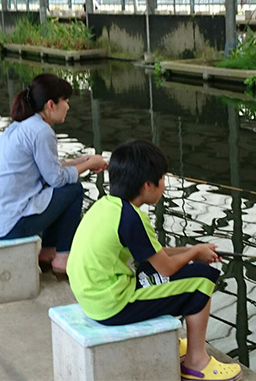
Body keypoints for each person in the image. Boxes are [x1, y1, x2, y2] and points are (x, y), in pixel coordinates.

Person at [67, 140, 243, 381]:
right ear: (148, 185)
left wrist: (193, 249)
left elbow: (156, 254)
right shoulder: (132, 218)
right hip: (113, 305)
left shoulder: (108, 206)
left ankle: (175, 343)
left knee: (170, 273)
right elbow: (167, 268)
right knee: (203, 277)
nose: (163, 184)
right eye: (162, 179)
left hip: (92, 297)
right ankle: (196, 363)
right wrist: (195, 255)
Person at [0, 73, 107, 274]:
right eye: (66, 101)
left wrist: (81, 161)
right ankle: (62, 256)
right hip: (8, 226)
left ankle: (47, 252)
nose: (68, 107)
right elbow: (56, 178)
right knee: (73, 189)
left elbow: (47, 169)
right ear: (51, 105)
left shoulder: (22, 126)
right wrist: (88, 166)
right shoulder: (41, 131)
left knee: (59, 187)